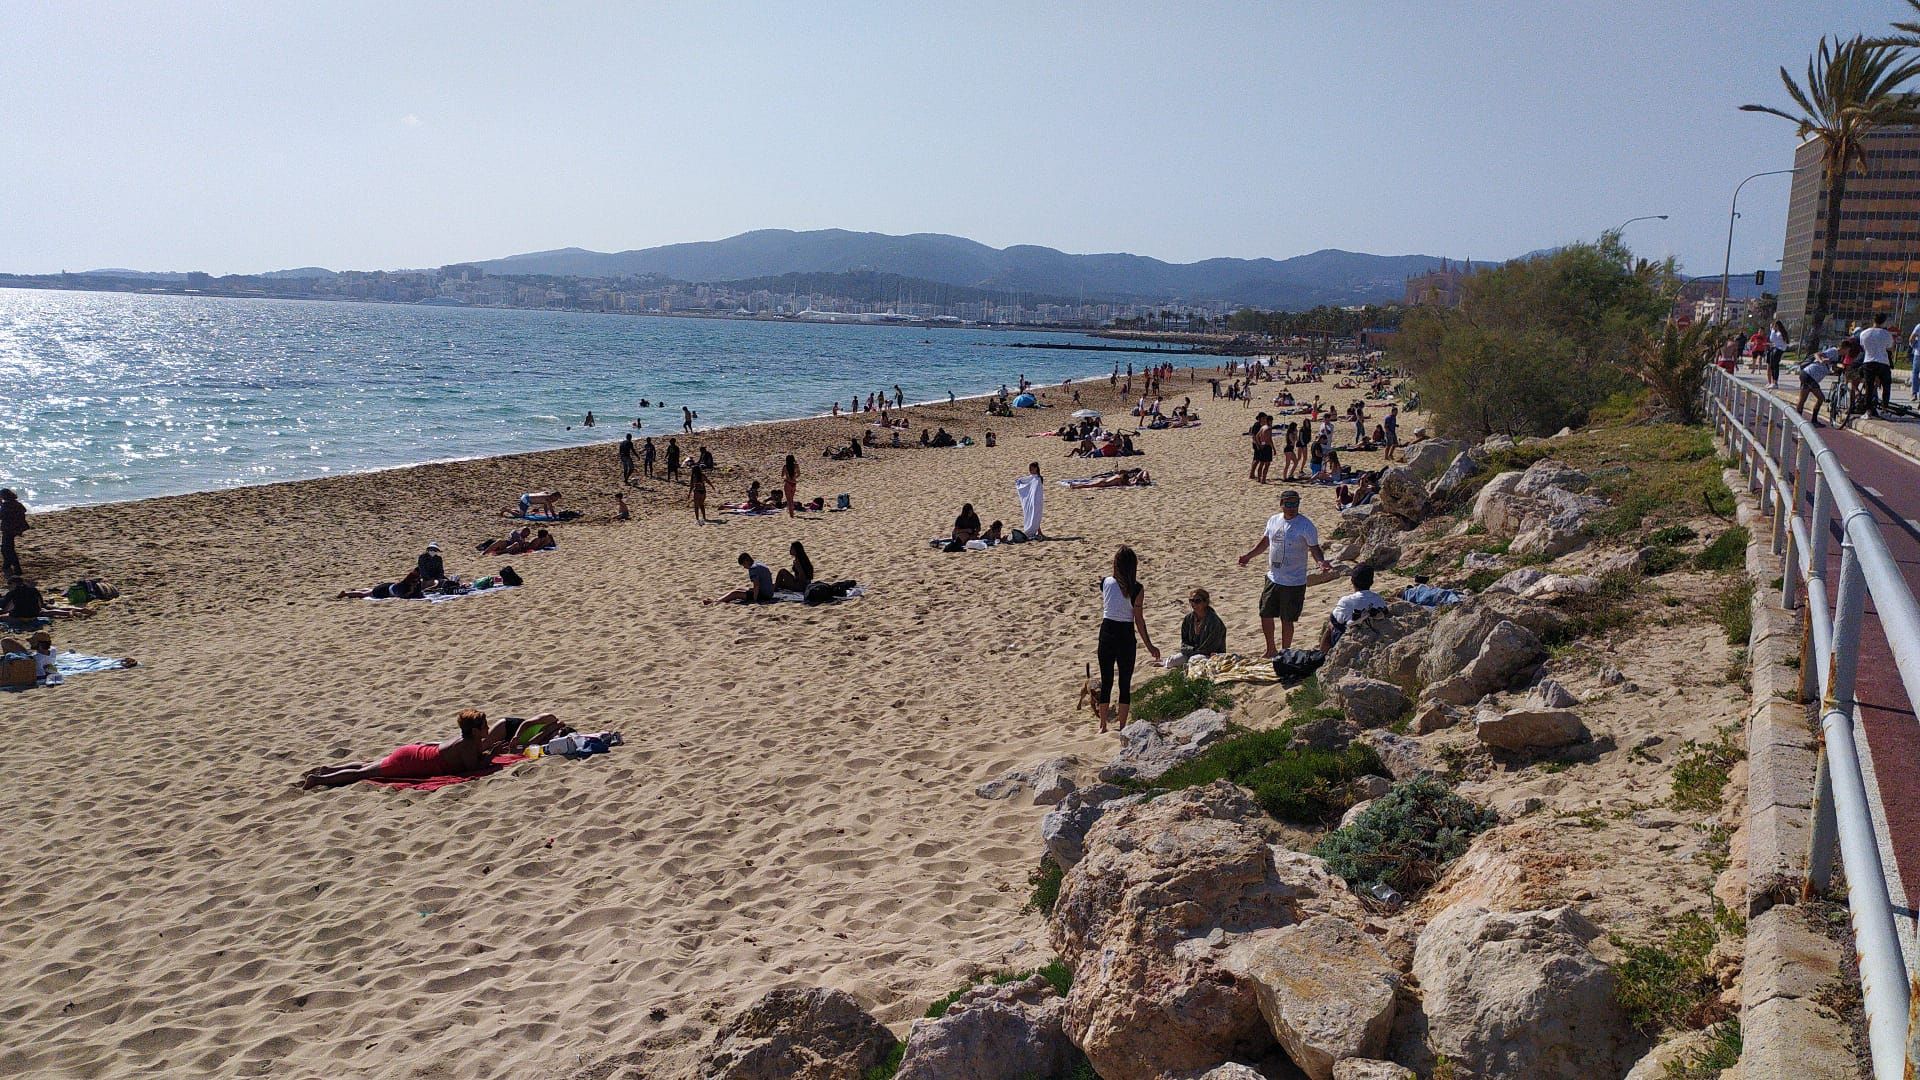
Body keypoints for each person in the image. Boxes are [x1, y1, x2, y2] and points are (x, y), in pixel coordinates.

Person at [1237, 489, 1332, 656]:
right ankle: (1270, 649)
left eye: (1295, 504)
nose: (1292, 507)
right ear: (1281, 504)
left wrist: (1320, 562)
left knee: (1287, 619)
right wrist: (1248, 556)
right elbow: (1265, 542)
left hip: (1294, 581)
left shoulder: (1306, 525)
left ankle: (1284, 652)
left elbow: (1314, 548)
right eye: (1288, 504)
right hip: (1273, 578)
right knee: (1265, 614)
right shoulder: (1273, 520)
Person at [302, 709, 495, 788]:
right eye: (485, 726)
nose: (488, 728)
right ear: (476, 731)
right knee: (363, 774)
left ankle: (330, 769)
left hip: (413, 753)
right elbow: (474, 768)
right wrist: (491, 755)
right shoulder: (467, 744)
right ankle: (319, 779)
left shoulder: (466, 739)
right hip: (410, 762)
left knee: (366, 766)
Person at [1094, 546, 1160, 733]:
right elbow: (1139, 619)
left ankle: (1103, 725)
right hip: (1125, 634)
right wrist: (1149, 645)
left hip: (1107, 631)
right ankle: (1122, 726)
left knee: (1106, 680)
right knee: (1124, 682)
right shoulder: (1137, 589)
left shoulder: (1105, 582)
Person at [1320, 565, 1389, 649]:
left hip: (1349, 640)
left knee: (1331, 624)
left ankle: (1323, 653)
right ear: (1371, 582)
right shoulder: (1378, 598)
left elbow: (1335, 621)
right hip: (1376, 636)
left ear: (1352, 581)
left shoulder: (1346, 601)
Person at [1167, 588, 1227, 670]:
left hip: (1210, 654)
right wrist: (1191, 650)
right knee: (1172, 661)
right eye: (1191, 600)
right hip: (1192, 652)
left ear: (1205, 602)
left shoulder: (1214, 621)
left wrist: (1194, 652)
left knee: (1194, 660)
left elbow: (1210, 647)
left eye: (1197, 601)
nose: (1194, 604)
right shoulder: (1188, 619)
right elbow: (1184, 642)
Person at [705, 552, 775, 605]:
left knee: (735, 593)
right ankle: (718, 599)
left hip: (764, 595)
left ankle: (715, 601)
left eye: (743, 565)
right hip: (769, 592)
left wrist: (755, 600)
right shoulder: (758, 563)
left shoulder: (753, 569)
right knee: (739, 588)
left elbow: (756, 585)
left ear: (746, 561)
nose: (744, 567)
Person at [1860, 313, 1895, 417]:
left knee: (1869, 387)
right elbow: (1890, 348)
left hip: (1868, 361)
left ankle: (1868, 411)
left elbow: (1863, 346)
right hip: (1883, 362)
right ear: (1884, 322)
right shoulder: (1886, 334)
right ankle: (1884, 409)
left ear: (1873, 320)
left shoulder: (1864, 333)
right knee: (1886, 386)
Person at [1797, 348, 1834, 426]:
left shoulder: (1837, 358)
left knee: (1802, 400)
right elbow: (1816, 354)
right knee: (1821, 398)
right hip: (1809, 375)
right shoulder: (1834, 351)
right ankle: (1813, 420)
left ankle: (1797, 420)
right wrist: (1821, 360)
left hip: (1807, 375)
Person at [1015, 462, 1046, 539]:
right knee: (1033, 514)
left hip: (1037, 500)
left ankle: (1039, 531)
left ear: (1036, 468)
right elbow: (1024, 482)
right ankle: (1039, 531)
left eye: (1032, 468)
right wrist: (1018, 482)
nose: (1030, 470)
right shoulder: (1030, 478)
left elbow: (1038, 490)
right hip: (1032, 500)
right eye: (1030, 469)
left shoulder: (1038, 478)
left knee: (1036, 516)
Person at [0, 489, 25, 578]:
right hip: (16, 528)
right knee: (6, 548)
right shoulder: (16, 503)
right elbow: (23, 510)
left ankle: (17, 568)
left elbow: (2, 515)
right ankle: (6, 565)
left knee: (7, 549)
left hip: (8, 529)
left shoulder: (6, 505)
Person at [1767, 320, 1789, 389]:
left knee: (1774, 366)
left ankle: (1775, 382)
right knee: (1774, 366)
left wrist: (1772, 330)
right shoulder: (1782, 333)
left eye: (1775, 326)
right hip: (1779, 349)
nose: (1774, 327)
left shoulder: (1778, 333)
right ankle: (1774, 382)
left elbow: (1771, 339)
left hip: (1777, 350)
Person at [782, 454, 800, 519]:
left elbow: (782, 475)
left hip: (788, 483)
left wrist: (786, 478)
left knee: (789, 500)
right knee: (791, 499)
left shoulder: (785, 466)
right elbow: (799, 474)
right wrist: (794, 477)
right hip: (794, 483)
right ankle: (791, 512)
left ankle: (791, 515)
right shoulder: (796, 466)